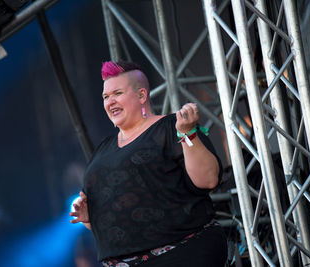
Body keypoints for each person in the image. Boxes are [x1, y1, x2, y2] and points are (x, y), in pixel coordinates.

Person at [70, 61, 227, 266]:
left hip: (181, 255)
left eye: (117, 93)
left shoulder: (171, 127)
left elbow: (208, 179)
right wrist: (91, 219)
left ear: (142, 95)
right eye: (106, 97)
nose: (110, 102)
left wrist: (188, 133)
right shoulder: (103, 149)